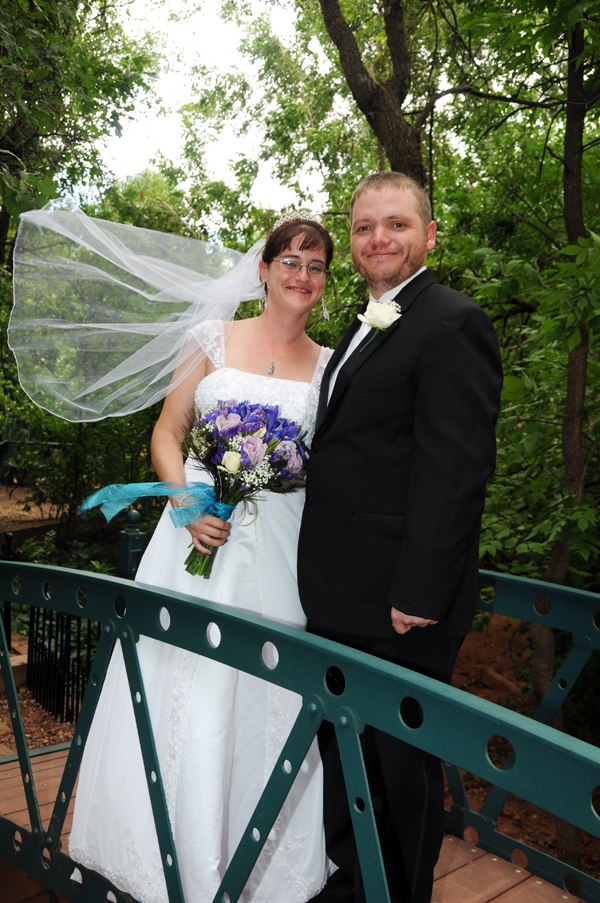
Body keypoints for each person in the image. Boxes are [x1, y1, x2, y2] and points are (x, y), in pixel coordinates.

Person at [10, 206, 334, 903]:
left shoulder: (331, 367)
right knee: (177, 676)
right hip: (193, 529)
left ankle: (258, 863)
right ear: (264, 269)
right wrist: (185, 506)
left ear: (324, 282)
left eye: (315, 266)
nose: (302, 276)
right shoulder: (212, 337)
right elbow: (167, 432)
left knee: (266, 685)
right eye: (291, 261)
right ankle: (163, 851)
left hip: (279, 544)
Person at [298, 172, 503, 903]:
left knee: (401, 771)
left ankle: (398, 893)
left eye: (396, 224)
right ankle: (355, 881)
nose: (378, 238)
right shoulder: (368, 321)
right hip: (341, 596)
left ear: (429, 235)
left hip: (399, 605)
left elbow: (456, 469)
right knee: (347, 753)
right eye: (363, 227)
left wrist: (419, 591)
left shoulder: (452, 321)